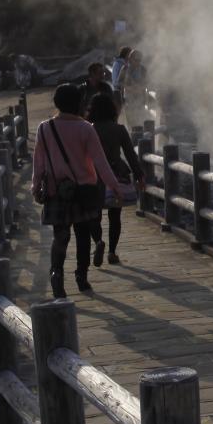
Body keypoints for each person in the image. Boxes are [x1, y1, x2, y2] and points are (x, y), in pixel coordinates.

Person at [32, 83, 135, 298]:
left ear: (56, 103)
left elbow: (38, 163)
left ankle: (56, 273)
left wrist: (35, 187)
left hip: (56, 191)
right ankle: (81, 277)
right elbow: (101, 163)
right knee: (82, 236)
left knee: (60, 237)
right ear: (79, 103)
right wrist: (115, 187)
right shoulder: (85, 128)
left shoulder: (44, 128)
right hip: (84, 191)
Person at [86, 92, 143, 266]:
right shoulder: (118, 129)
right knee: (115, 215)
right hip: (117, 174)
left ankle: (98, 242)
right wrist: (140, 175)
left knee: (93, 215)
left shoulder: (89, 128)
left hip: (93, 176)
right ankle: (111, 252)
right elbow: (130, 154)